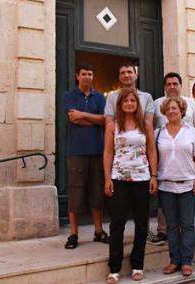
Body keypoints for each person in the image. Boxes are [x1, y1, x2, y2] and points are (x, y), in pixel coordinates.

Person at [103, 87, 158, 283]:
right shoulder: (113, 125)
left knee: (142, 223)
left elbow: (152, 151)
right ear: (120, 104)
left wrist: (153, 175)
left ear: (137, 104)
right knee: (117, 224)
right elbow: (108, 152)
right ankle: (114, 268)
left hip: (142, 178)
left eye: (132, 101)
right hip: (118, 178)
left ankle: (137, 265)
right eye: (125, 101)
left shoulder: (146, 124)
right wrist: (107, 178)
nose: (129, 104)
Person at [148, 72, 195, 246]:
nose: (172, 86)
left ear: (180, 85)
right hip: (164, 157)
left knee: (187, 205)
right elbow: (152, 130)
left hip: (187, 157)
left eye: (175, 83)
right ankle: (163, 231)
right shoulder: (156, 104)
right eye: (169, 84)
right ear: (165, 86)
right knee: (166, 203)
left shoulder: (192, 104)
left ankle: (187, 232)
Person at [156, 97, 195, 277]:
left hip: (188, 185)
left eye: (175, 108)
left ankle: (186, 261)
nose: (171, 111)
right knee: (171, 226)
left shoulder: (192, 132)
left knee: (187, 225)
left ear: (182, 110)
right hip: (166, 185)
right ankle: (174, 260)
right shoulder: (158, 133)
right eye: (168, 109)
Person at [63, 63, 109, 249]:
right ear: (77, 76)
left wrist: (83, 115)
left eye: (90, 74)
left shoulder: (100, 97)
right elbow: (73, 119)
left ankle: (98, 231)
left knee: (97, 192)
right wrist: (94, 119)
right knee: (75, 192)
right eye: (84, 74)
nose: (87, 77)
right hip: (76, 151)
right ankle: (73, 234)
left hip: (98, 151)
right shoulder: (69, 96)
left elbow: (106, 120)